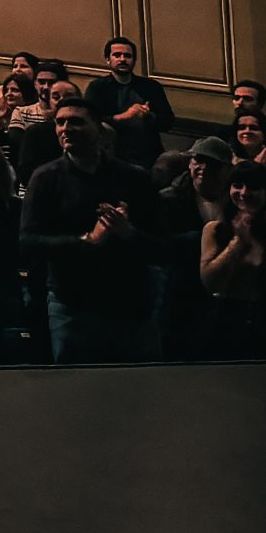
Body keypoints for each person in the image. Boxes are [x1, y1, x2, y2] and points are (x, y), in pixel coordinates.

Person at [20, 97, 162, 361]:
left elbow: (162, 244)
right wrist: (86, 241)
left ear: (98, 128)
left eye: (76, 122)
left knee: (141, 389)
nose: (65, 129)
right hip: (73, 305)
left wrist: (127, 232)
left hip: (131, 303)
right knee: (78, 390)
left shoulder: (134, 178)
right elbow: (28, 241)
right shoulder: (44, 178)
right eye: (59, 123)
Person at [85, 36, 175, 170]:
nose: (122, 59)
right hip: (112, 154)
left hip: (148, 154)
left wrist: (148, 116)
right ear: (108, 60)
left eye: (127, 56)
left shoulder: (151, 86)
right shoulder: (97, 87)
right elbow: (91, 121)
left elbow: (168, 121)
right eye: (117, 55)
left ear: (134, 60)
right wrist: (124, 116)